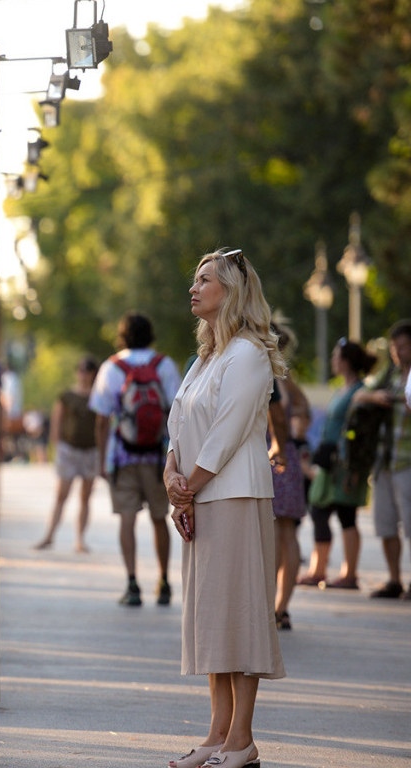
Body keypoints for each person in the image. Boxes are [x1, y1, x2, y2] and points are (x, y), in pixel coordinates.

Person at [163, 248, 285, 768]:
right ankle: (215, 733)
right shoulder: (207, 356)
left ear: (231, 291)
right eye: (194, 278)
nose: (193, 288)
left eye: (204, 279)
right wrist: (171, 472)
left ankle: (242, 739)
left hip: (234, 494)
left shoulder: (249, 354)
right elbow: (179, 425)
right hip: (201, 494)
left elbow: (228, 432)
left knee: (239, 614)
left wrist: (185, 487)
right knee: (212, 617)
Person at [89, 312, 182, 606]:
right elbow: (178, 414)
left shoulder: (112, 367)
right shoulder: (164, 365)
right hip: (157, 457)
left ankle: (132, 584)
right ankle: (164, 581)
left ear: (122, 336)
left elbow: (102, 419)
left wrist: (102, 460)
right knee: (159, 518)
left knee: (127, 519)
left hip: (122, 455)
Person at [297, 338, 377, 589]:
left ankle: (348, 574)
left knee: (346, 514)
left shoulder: (359, 391)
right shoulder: (344, 389)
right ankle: (319, 569)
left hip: (345, 462)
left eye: (335, 355)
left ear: (345, 361)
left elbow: (357, 427)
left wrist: (352, 468)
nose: (332, 360)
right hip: (330, 460)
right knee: (320, 510)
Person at [356, 320, 411, 599]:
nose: (397, 352)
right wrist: (376, 396)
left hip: (408, 462)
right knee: (386, 524)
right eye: (394, 347)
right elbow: (358, 395)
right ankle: (394, 580)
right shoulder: (389, 376)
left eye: (402, 346)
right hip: (384, 462)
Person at [265, 320, 309, 630]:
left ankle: (269, 608)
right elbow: (304, 408)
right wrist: (296, 436)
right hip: (289, 456)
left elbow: (274, 413)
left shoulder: (264, 372)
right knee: (288, 534)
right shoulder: (287, 376)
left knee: (270, 536)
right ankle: (282, 608)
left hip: (269, 455)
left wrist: (277, 440)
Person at [36, 355, 99, 552]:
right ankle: (49, 536)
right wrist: (56, 447)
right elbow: (57, 421)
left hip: (91, 449)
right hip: (69, 449)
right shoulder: (67, 395)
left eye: (86, 371)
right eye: (80, 370)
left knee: (85, 496)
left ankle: (80, 539)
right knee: (61, 495)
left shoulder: (99, 395)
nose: (82, 374)